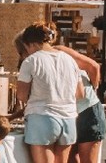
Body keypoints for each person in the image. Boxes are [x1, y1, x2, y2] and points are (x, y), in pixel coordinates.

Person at [16, 23, 83, 163]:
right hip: (69, 118)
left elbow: (21, 95)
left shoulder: (31, 61)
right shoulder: (70, 60)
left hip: (42, 116)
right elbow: (80, 94)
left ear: (30, 44)